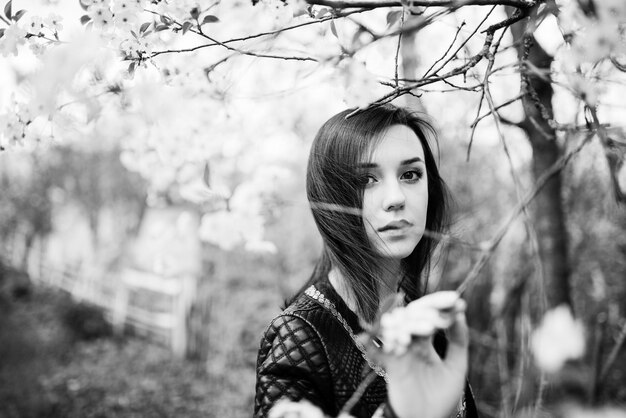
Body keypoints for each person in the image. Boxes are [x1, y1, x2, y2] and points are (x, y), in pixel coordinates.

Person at [254, 104, 478, 418]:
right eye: (366, 180)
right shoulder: (300, 337)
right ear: (332, 198)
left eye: (410, 174)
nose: (396, 198)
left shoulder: (428, 326)